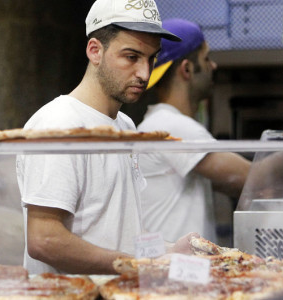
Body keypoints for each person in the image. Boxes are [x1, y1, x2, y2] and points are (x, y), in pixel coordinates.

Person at [16, 0, 198, 275]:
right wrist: (142, 266)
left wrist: (169, 250)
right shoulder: (59, 124)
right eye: (131, 57)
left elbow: (120, 227)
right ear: (95, 51)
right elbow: (44, 240)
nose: (145, 73)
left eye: (151, 58)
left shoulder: (125, 125)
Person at [137, 19, 251, 243]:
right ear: (187, 69)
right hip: (175, 271)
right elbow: (250, 177)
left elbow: (225, 181)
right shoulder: (171, 126)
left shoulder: (159, 122)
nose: (214, 66)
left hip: (176, 269)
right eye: (206, 58)